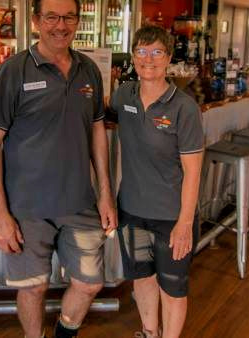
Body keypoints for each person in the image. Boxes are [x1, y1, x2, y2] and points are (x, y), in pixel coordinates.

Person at [0, 0, 117, 338]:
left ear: (78, 21)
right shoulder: (13, 71)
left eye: (69, 17)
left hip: (80, 202)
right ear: (36, 20)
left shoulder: (89, 71)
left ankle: (64, 333)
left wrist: (105, 194)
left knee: (89, 284)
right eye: (52, 16)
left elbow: (97, 131)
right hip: (26, 207)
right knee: (33, 287)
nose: (61, 25)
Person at [109, 26, 204, 338]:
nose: (148, 59)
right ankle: (150, 332)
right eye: (141, 52)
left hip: (171, 217)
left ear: (169, 58)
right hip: (132, 213)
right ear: (133, 56)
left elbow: (193, 171)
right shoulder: (123, 95)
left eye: (156, 52)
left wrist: (184, 223)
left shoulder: (184, 107)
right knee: (143, 278)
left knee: (172, 287)